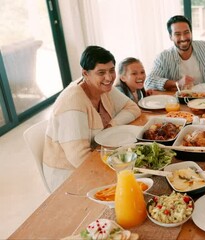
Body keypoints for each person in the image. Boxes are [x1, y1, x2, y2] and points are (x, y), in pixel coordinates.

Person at [43, 46, 141, 191]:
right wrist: (119, 167)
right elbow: (79, 159)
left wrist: (110, 126)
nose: (109, 78)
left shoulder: (102, 86)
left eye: (111, 70)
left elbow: (133, 109)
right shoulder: (73, 102)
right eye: (101, 72)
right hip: (69, 178)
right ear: (85, 73)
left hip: (98, 157)